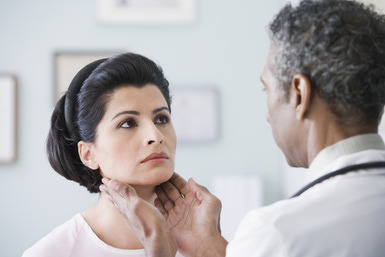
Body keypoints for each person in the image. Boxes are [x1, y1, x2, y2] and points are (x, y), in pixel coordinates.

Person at [100, 0, 385, 256]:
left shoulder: (280, 234)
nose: (268, 116)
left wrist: (159, 245)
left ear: (298, 93)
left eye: (267, 89)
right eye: (127, 123)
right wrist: (206, 244)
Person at [22, 52, 183, 257]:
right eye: (127, 123)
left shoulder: (203, 242)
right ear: (88, 154)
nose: (156, 136)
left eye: (161, 119)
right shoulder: (52, 252)